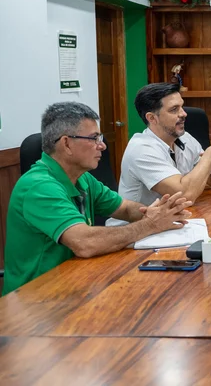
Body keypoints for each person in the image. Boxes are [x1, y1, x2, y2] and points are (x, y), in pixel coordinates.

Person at [3, 102, 193, 295]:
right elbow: (85, 243)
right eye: (94, 138)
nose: (102, 145)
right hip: (36, 299)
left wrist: (153, 212)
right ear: (66, 143)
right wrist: (151, 224)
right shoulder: (39, 186)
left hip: (76, 281)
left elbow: (125, 208)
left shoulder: (82, 177)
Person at [116, 83, 211, 209]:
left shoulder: (185, 138)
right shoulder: (141, 149)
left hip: (171, 221)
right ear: (152, 118)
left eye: (182, 107)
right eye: (174, 109)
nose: (184, 114)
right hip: (138, 226)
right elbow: (185, 196)